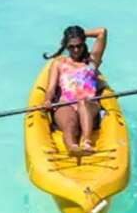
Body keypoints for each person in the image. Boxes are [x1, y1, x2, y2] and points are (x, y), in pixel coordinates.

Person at [43, 25, 107, 157]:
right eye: (71, 46)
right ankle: (72, 147)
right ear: (66, 46)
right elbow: (50, 88)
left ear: (84, 44)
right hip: (66, 104)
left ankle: (86, 142)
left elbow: (102, 32)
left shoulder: (91, 61)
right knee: (69, 124)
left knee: (83, 102)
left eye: (79, 45)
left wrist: (81, 34)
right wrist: (48, 100)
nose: (76, 49)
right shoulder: (59, 63)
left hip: (89, 105)